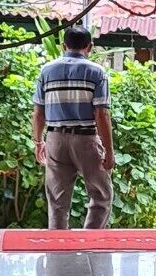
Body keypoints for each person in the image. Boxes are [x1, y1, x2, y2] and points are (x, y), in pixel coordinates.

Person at [35, 23, 114, 230]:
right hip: (86, 138)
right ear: (89, 46)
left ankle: (59, 249)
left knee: (57, 201)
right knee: (101, 195)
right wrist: (109, 152)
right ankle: (91, 242)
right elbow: (102, 114)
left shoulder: (47, 70)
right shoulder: (97, 72)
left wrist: (38, 141)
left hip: (55, 139)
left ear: (63, 45)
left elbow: (38, 112)